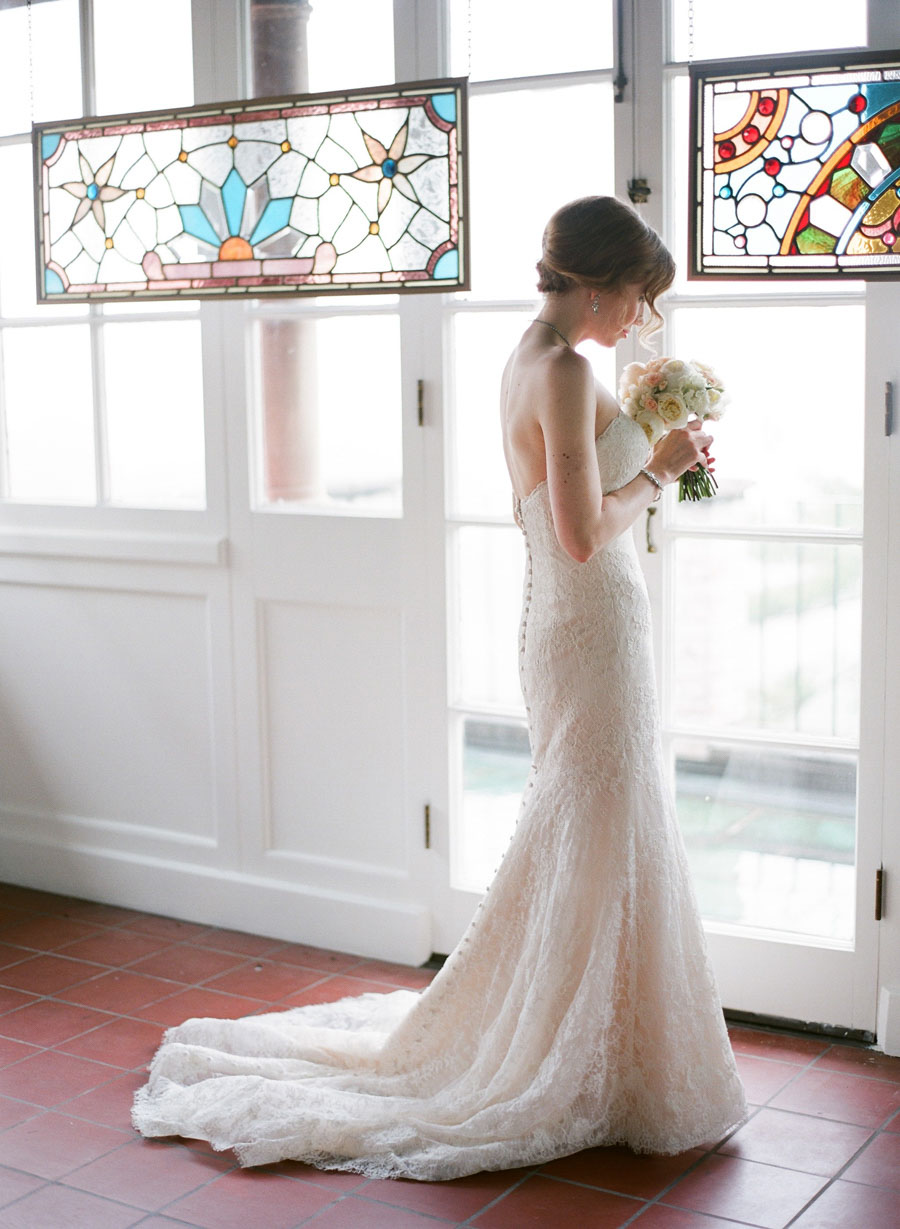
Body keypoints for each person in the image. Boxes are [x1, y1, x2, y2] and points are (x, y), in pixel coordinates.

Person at [133, 196, 747, 1181]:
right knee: (599, 812)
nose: (642, 320)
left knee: (591, 818)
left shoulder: (529, 352)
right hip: (590, 621)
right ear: (595, 281)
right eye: (637, 297)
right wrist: (665, 465)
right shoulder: (561, 369)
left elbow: (559, 504)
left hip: (565, 620)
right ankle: (568, 1047)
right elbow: (587, 531)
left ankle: (595, 1034)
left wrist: (639, 436)